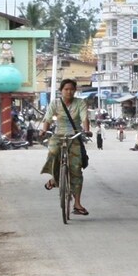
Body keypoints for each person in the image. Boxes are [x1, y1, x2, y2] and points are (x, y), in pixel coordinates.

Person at [39, 79, 91, 215]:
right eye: (66, 89)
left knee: (76, 170)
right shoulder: (55, 103)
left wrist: (86, 129)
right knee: (52, 154)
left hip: (74, 136)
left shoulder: (80, 103)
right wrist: (43, 130)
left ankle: (77, 204)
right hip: (58, 135)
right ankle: (54, 179)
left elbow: (84, 117)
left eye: (71, 89)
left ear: (75, 90)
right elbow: (48, 118)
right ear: (61, 90)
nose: (69, 91)